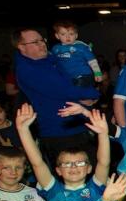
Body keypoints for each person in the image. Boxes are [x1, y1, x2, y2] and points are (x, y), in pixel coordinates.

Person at [11, 28, 100, 166]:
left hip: (77, 125)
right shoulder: (27, 69)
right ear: (21, 47)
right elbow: (64, 90)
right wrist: (95, 93)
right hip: (59, 132)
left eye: (42, 40)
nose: (42, 44)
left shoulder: (50, 59)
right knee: (72, 174)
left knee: (90, 170)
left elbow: (69, 84)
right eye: (35, 42)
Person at [51, 20, 102, 87]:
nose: (67, 37)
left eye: (71, 34)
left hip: (83, 76)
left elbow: (92, 61)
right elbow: (53, 62)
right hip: (66, 77)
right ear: (57, 36)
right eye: (63, 34)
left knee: (80, 90)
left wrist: (97, 73)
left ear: (76, 35)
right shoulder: (55, 48)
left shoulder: (81, 47)